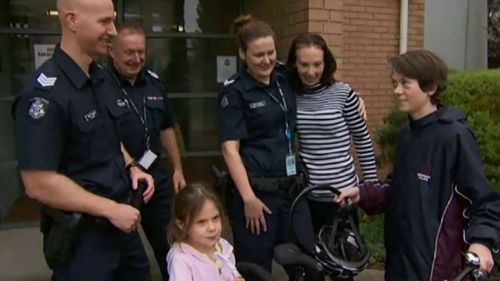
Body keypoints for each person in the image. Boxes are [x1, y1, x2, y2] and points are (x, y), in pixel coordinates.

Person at [12, 0, 155, 280]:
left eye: (112, 20)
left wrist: (132, 167)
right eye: (104, 22)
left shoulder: (100, 80)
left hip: (122, 225)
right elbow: (38, 182)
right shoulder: (44, 95)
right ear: (72, 20)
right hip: (83, 239)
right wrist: (110, 209)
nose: (113, 30)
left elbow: (110, 141)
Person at [335, 50, 500, 281]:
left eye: (405, 83)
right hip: (400, 265)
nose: (397, 91)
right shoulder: (406, 135)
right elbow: (397, 188)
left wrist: (482, 242)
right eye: (395, 83)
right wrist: (362, 194)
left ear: (430, 87)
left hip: (436, 270)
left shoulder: (454, 136)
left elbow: (484, 202)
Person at [218, 14, 321, 280]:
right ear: (243, 54)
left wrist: (352, 98)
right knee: (256, 270)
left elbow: (318, 78)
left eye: (271, 52)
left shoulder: (285, 78)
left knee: (308, 267)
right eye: (258, 55)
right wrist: (248, 199)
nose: (267, 60)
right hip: (257, 195)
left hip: (293, 190)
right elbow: (230, 150)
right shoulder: (234, 91)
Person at [286, 33, 378, 280]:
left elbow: (362, 140)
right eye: (304, 64)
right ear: (294, 63)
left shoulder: (343, 93)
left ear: (326, 63)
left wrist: (371, 187)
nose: (311, 71)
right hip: (308, 196)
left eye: (317, 64)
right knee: (311, 268)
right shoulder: (288, 94)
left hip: (343, 197)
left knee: (342, 268)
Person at [106, 23, 186, 281]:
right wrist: (132, 166)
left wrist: (177, 168)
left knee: (170, 248)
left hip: (156, 180)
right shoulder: (98, 86)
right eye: (129, 52)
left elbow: (166, 128)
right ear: (111, 51)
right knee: (128, 262)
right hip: (119, 183)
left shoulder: (153, 83)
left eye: (141, 51)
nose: (136, 58)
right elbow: (104, 134)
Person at [167, 184, 244, 281]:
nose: (212, 228)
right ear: (182, 225)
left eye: (215, 218)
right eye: (201, 222)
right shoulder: (182, 260)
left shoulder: (223, 247)